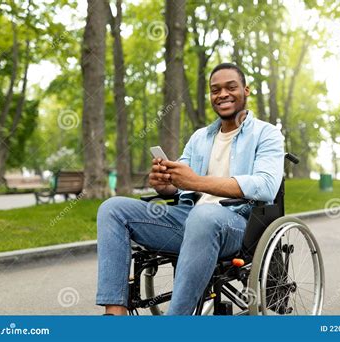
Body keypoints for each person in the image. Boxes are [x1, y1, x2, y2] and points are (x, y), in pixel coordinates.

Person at [96, 62, 284, 315]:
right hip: (188, 218)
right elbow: (181, 185)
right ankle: (114, 314)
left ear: (246, 90)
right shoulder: (200, 138)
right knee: (113, 208)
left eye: (231, 87)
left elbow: (265, 187)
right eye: (215, 90)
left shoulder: (267, 134)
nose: (222, 94)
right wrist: (166, 186)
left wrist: (195, 181)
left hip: (238, 224)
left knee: (204, 215)